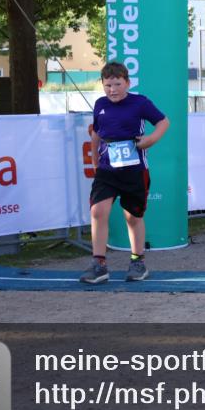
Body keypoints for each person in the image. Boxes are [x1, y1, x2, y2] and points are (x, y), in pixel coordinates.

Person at [81, 62, 170, 285]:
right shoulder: (100, 104)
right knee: (97, 211)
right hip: (106, 170)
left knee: (133, 217)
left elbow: (163, 122)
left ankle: (138, 262)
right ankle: (99, 264)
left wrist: (150, 139)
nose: (112, 90)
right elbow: (96, 133)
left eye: (117, 84)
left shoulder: (140, 102)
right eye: (108, 85)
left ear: (127, 83)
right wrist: (94, 160)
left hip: (134, 171)